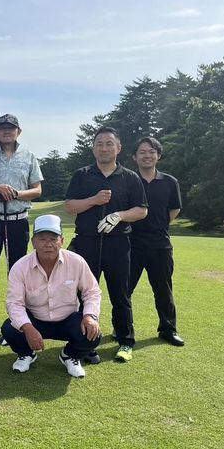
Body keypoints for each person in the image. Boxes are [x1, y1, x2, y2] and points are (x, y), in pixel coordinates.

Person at [65, 127, 147, 363]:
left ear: (118, 148)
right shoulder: (82, 175)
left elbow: (141, 210)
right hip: (87, 242)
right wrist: (94, 200)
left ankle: (126, 340)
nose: (104, 148)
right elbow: (70, 206)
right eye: (99, 144)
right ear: (93, 149)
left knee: (120, 293)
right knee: (83, 294)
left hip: (118, 243)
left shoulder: (130, 177)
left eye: (109, 143)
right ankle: (85, 343)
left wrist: (119, 215)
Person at [0, 215, 102, 378]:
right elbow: (14, 303)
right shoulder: (20, 267)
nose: (48, 244)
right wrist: (27, 328)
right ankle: (26, 353)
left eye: (53, 239)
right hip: (35, 320)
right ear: (33, 242)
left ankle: (70, 355)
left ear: (62, 241)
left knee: (93, 332)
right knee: (9, 329)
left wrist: (90, 316)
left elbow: (92, 291)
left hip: (68, 320)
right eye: (42, 239)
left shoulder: (77, 262)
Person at [0, 114, 43, 315]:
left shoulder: (29, 156)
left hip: (18, 221)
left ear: (18, 132)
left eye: (11, 128)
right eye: (3, 128)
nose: (7, 131)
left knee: (17, 271)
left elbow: (37, 190)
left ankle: (17, 318)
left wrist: (16, 194)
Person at [129, 136, 184, 346]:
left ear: (158, 156)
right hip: (131, 244)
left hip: (160, 244)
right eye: (142, 152)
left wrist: (158, 223)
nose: (147, 156)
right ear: (134, 157)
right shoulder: (128, 180)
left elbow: (175, 209)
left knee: (163, 289)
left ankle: (168, 329)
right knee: (124, 290)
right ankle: (123, 328)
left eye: (152, 152)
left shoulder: (170, 182)